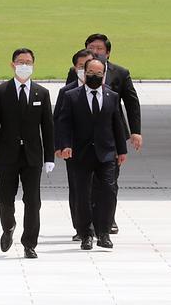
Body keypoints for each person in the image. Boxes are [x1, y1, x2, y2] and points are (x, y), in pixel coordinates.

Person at [0, 48, 55, 259]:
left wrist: (49, 156)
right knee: (4, 197)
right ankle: (8, 226)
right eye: (20, 62)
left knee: (33, 201)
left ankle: (29, 243)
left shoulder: (42, 93)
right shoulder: (0, 91)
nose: (25, 65)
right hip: (7, 155)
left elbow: (47, 127)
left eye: (28, 62)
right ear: (12, 64)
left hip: (32, 156)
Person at [66, 33, 141, 234]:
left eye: (100, 49)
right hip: (82, 140)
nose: (96, 52)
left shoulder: (121, 73)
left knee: (109, 183)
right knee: (82, 186)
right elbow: (67, 104)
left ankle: (108, 220)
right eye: (92, 48)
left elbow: (131, 102)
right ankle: (84, 226)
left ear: (107, 53)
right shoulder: (77, 72)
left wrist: (136, 132)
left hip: (109, 138)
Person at [55, 57, 128, 250]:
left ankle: (103, 232)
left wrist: (122, 150)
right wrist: (65, 145)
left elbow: (117, 124)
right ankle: (86, 233)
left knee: (108, 192)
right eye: (90, 73)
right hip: (81, 153)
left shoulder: (112, 96)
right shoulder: (72, 96)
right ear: (83, 73)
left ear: (104, 75)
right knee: (82, 194)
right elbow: (64, 123)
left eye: (98, 73)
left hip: (106, 153)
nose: (94, 76)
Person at [57, 49, 94, 240]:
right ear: (75, 68)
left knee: (99, 188)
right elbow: (60, 121)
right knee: (78, 189)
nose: (85, 69)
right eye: (81, 66)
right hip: (75, 150)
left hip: (99, 149)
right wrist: (61, 145)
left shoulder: (107, 90)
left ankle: (98, 224)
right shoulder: (67, 92)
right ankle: (81, 227)